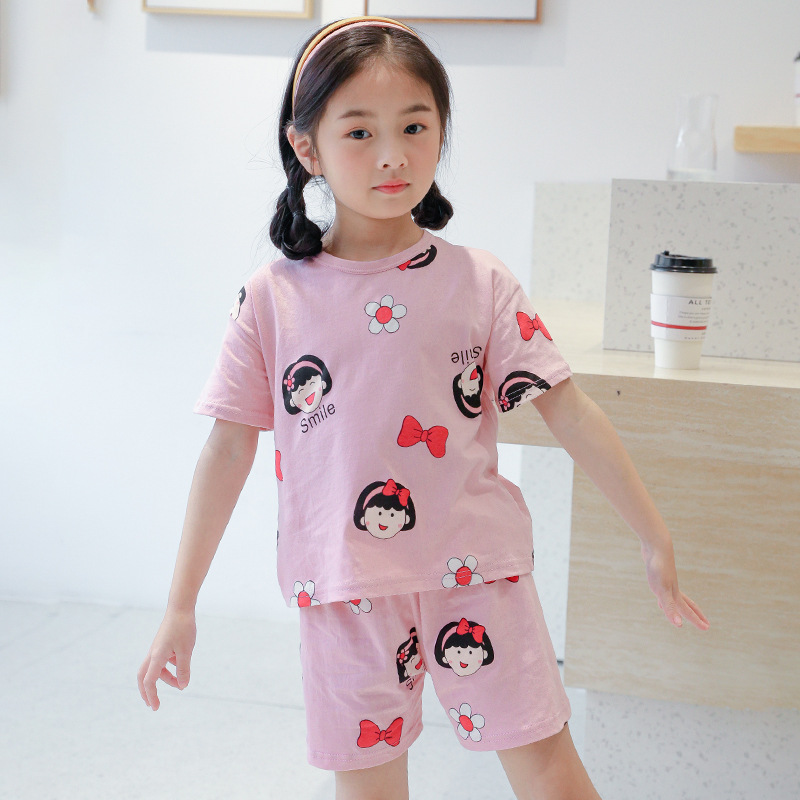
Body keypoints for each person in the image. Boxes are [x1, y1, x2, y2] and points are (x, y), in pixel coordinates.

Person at [138, 16, 709, 800]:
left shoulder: (480, 282)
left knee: (549, 774)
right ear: (307, 148)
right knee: (369, 789)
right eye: (359, 132)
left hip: (480, 571)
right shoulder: (273, 299)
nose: (392, 155)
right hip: (343, 586)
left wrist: (653, 533)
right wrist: (180, 605)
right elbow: (227, 450)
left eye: (414, 126)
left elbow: (570, 412)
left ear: (441, 131)